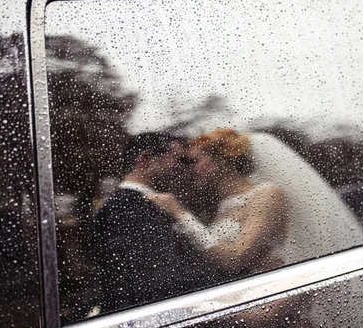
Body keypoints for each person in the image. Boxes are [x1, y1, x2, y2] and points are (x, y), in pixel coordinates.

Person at [92, 132, 213, 314]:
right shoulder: (129, 208)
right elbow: (156, 282)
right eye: (178, 159)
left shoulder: (141, 203)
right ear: (146, 158)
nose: (184, 168)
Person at [148, 128, 289, 275]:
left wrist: (180, 213)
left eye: (194, 161)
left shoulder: (267, 194)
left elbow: (236, 258)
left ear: (220, 159)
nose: (190, 170)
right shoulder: (222, 207)